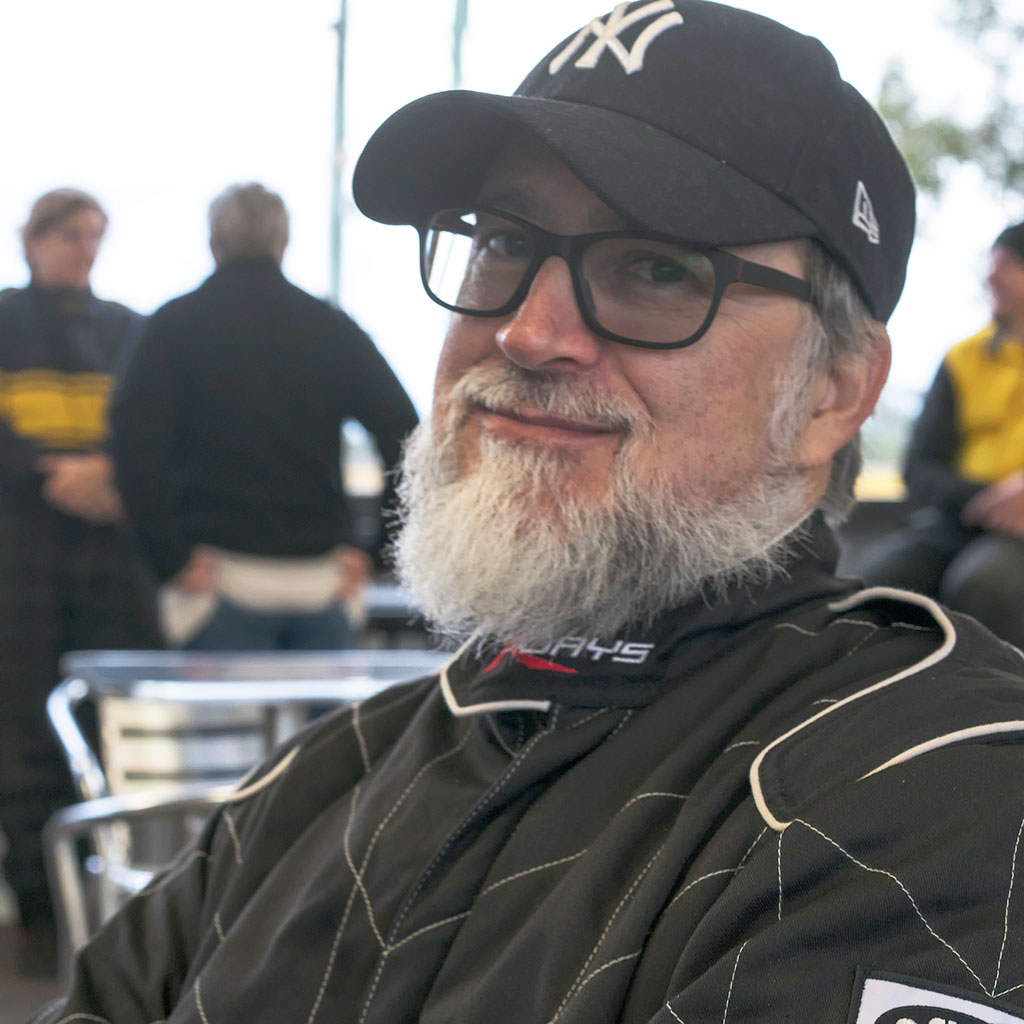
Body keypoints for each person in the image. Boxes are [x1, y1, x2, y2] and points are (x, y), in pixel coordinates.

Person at [31, 4, 1024, 1022]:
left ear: (834, 391)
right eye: (504, 242)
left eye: (656, 266)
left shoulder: (936, 791)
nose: (527, 329)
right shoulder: (309, 789)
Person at [110, 183, 419, 651]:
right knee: (325, 706)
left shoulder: (174, 325)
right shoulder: (329, 326)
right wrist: (376, 550)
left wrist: (168, 558)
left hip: (213, 579)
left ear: (213, 242)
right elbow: (406, 435)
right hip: (322, 581)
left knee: (220, 706)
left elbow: (134, 448)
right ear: (284, 242)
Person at [0, 188, 161, 974]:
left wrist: (109, 477)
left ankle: (115, 917)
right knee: (24, 739)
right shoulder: (4, 321)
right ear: (31, 240)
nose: (83, 248)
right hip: (19, 559)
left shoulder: (127, 329)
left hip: (111, 560)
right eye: (68, 234)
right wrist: (46, 474)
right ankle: (41, 912)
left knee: (108, 732)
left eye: (94, 235)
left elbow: (155, 428)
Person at [856, 221, 1024, 646]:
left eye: (1007, 265)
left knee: (987, 586)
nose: (991, 277)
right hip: (962, 517)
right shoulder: (962, 359)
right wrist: (987, 500)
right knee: (870, 588)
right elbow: (920, 468)